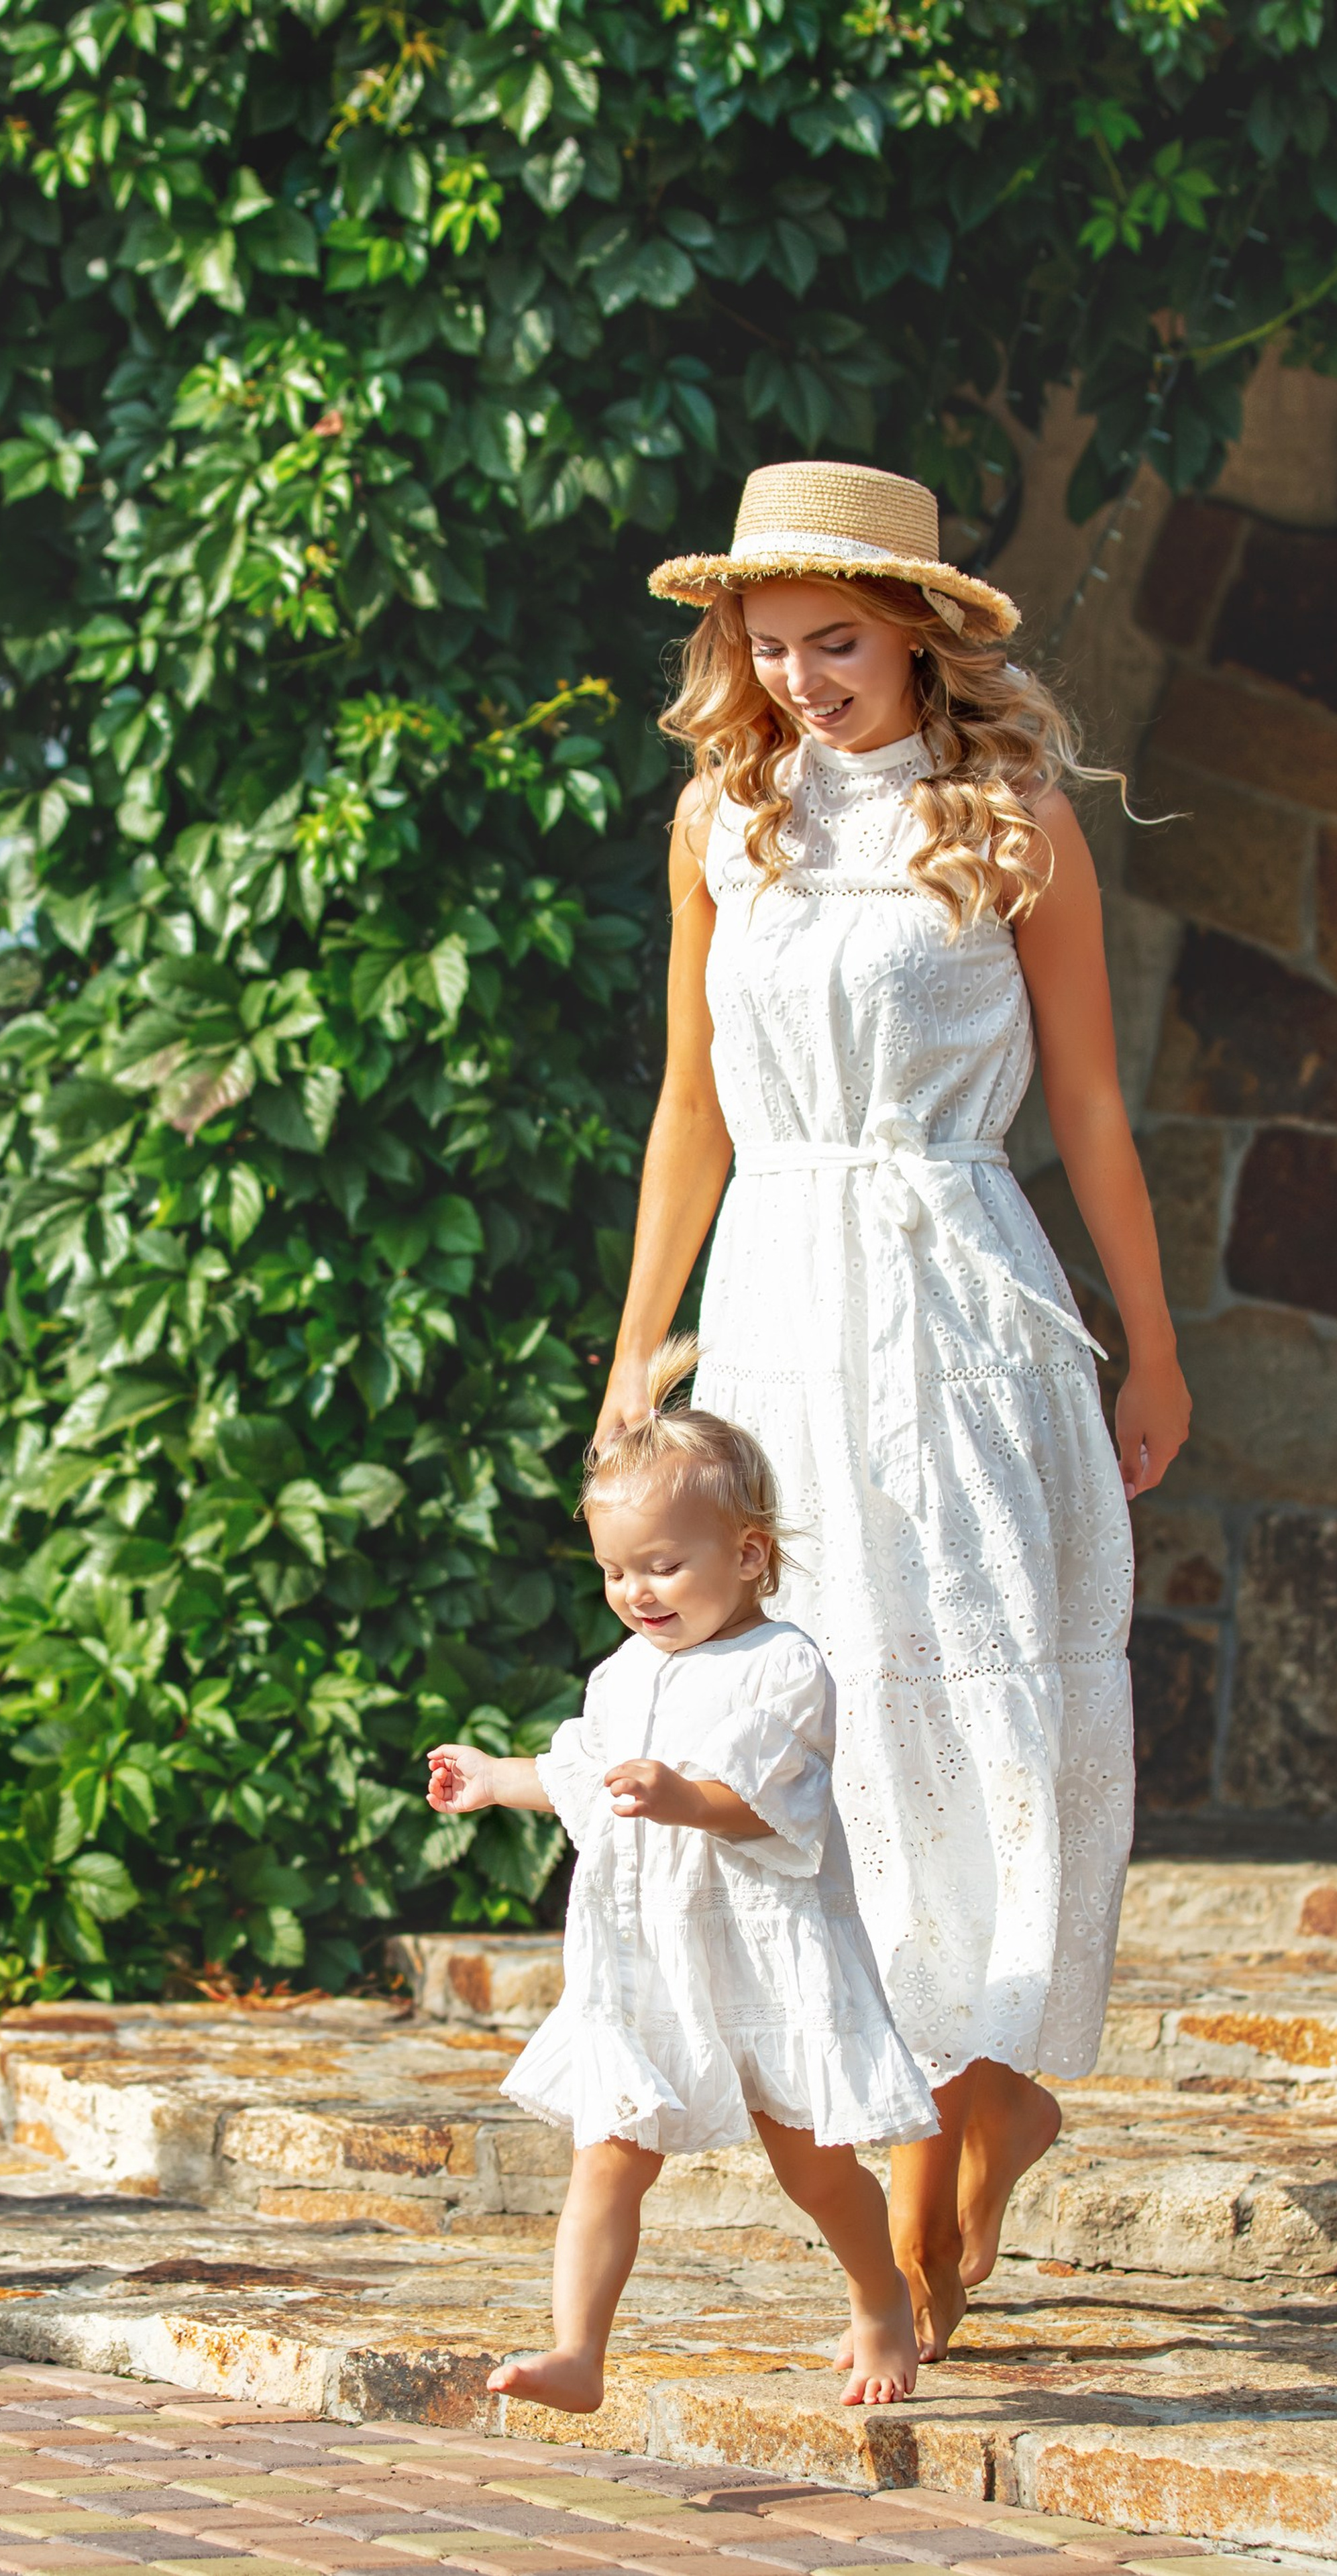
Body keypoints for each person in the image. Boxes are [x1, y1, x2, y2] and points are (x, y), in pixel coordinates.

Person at [597, 461, 1189, 2363]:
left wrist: (1154, 1343)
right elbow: (690, 1107)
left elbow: (1091, 1107)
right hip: (778, 1299)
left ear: (921, 628)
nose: (800, 683)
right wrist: (640, 1344)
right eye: (767, 651)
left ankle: (989, 2099)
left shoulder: (1010, 818)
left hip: (964, 1297)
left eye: (834, 644)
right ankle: (916, 2109)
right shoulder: (723, 819)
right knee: (829, 1701)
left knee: (993, 1690)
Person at [427, 1337, 939, 2414]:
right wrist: (493, 1778)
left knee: (814, 2169)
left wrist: (682, 1798)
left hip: (761, 1953)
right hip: (647, 1958)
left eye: (663, 1565)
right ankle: (579, 2351)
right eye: (616, 1570)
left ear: (750, 1555)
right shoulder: (623, 1672)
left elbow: (768, 1806)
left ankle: (882, 2296)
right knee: (608, 2151)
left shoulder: (783, 1667)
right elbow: (581, 1774)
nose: (636, 1591)